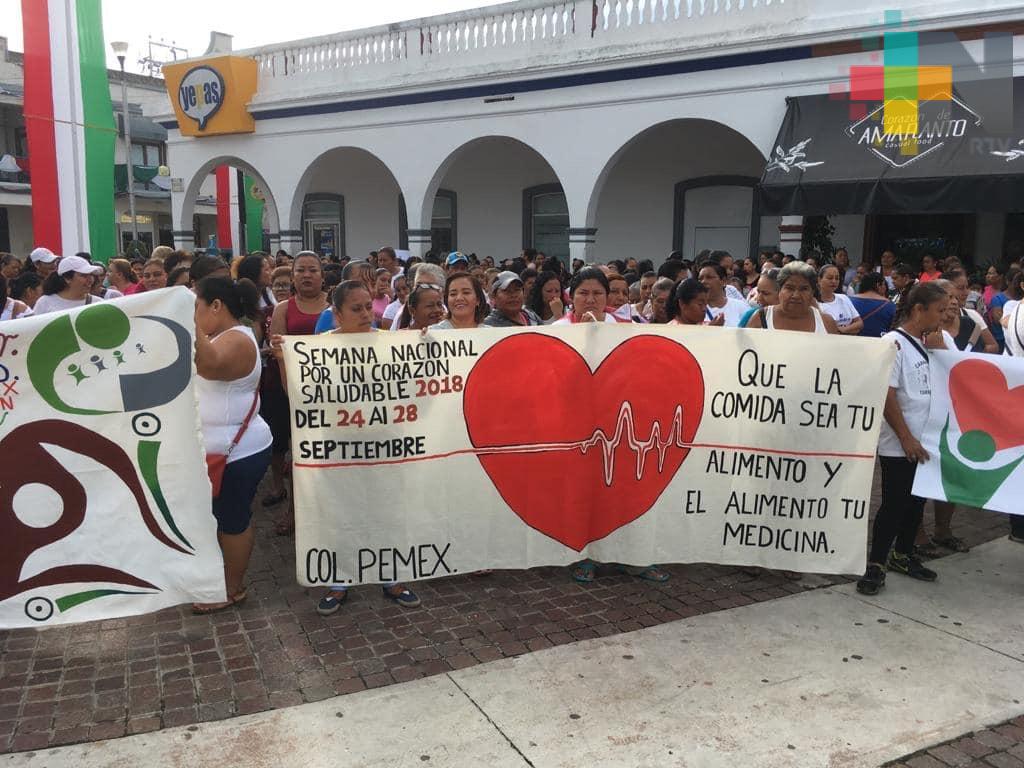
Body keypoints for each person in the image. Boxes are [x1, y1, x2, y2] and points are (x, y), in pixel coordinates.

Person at [272, 280, 421, 613]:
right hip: (337, 443)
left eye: (369, 306)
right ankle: (339, 580)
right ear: (336, 313)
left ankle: (391, 575)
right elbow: (297, 395)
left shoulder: (390, 342)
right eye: (356, 308)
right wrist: (285, 360)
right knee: (339, 510)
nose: (366, 313)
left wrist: (425, 344)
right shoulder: (318, 347)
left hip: (385, 441)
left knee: (387, 509)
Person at [856, 282, 949, 596]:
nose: (942, 317)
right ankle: (876, 563)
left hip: (923, 441)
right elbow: (887, 393)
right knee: (895, 502)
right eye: (938, 310)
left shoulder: (923, 343)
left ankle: (903, 553)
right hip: (900, 442)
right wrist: (906, 437)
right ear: (919, 309)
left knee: (915, 501)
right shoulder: (894, 343)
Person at [192, 276, 273, 613]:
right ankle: (219, 580)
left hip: (238, 451)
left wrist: (181, 324)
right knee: (216, 518)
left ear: (216, 306)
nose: (194, 314)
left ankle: (232, 588)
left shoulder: (238, 339)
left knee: (232, 518)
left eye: (196, 307)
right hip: (217, 448)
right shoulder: (220, 335)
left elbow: (210, 365)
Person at [265, 252, 329, 532]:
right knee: (298, 455)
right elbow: (280, 352)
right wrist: (290, 390)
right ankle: (294, 511)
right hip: (292, 394)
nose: (306, 275)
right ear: (292, 276)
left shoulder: (334, 304)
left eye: (312, 270)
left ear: (322, 275)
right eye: (300, 270)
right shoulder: (283, 309)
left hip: (331, 394)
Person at [745, 261, 839, 334]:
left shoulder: (826, 323)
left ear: (812, 292)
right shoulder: (761, 319)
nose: (796, 295)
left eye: (804, 289)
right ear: (780, 290)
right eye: (789, 288)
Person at [943, 268, 998, 353]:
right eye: (961, 288)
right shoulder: (932, 321)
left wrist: (973, 356)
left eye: (967, 287)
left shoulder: (972, 316)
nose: (966, 292)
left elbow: (993, 346)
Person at [33, 255, 104, 315]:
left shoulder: (99, 303)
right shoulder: (45, 302)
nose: (90, 280)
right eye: (84, 275)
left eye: (91, 274)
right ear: (67, 278)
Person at [698, 261, 749, 327]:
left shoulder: (740, 306)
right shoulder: (695, 309)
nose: (703, 281)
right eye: (700, 279)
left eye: (709, 277)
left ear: (723, 281)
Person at [818, 264, 864, 335]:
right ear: (819, 280)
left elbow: (859, 323)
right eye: (830, 278)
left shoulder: (844, 298)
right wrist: (851, 329)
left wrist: (843, 330)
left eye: (837, 278)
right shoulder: (815, 303)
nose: (834, 281)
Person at [850, 273, 897, 338]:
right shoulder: (889, 305)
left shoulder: (849, 300)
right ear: (878, 285)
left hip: (851, 340)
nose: (885, 288)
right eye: (884, 284)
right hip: (878, 342)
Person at [983, 264, 1008, 351]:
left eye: (991, 273)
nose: (988, 276)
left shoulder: (1007, 292)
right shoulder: (986, 290)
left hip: (1003, 333)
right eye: (987, 273)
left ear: (1000, 276)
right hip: (989, 331)